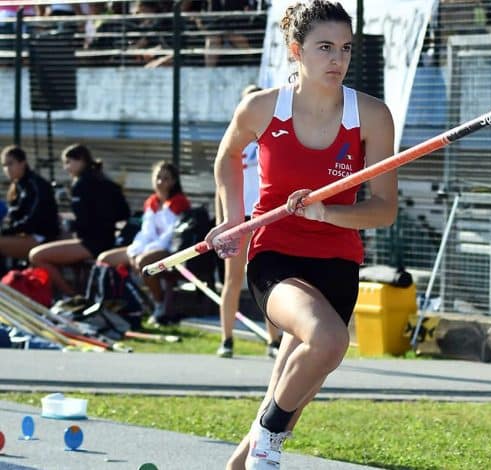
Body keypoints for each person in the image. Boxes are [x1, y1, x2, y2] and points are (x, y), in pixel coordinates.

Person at [204, 1, 397, 468]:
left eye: (346, 49)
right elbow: (227, 158)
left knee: (296, 383)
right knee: (329, 341)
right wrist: (233, 218)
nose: (338, 59)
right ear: (296, 50)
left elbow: (384, 209)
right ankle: (267, 450)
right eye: (325, 47)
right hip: (276, 254)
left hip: (338, 261)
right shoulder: (262, 108)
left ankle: (242, 460)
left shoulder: (371, 116)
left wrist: (325, 212)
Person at [215, 83, 283, 359]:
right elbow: (220, 184)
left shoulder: (273, 137)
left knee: (269, 279)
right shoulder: (233, 141)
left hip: (265, 216)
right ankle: (227, 339)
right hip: (239, 218)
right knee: (233, 280)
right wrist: (222, 222)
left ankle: (274, 339)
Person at [29, 144, 130, 296]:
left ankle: (71, 295)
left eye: (68, 162)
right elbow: (123, 212)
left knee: (37, 256)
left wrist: (70, 224)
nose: (65, 167)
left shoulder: (82, 184)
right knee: (60, 242)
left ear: (81, 160)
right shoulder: (105, 181)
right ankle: (79, 290)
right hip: (106, 238)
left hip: (93, 243)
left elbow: (85, 222)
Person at [97, 161, 190, 323]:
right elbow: (146, 232)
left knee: (144, 263)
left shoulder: (179, 202)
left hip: (168, 249)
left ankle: (159, 304)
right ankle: (116, 303)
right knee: (104, 259)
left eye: (166, 178)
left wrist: (144, 252)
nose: (161, 182)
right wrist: (136, 250)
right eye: (158, 178)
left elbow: (169, 235)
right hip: (146, 247)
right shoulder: (151, 201)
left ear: (174, 181)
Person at [0, 145, 59, 272]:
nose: (7, 169)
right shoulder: (18, 186)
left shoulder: (35, 185)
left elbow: (32, 221)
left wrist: (5, 231)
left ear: (23, 163)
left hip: (42, 237)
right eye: (4, 165)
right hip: (26, 235)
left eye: (10, 164)